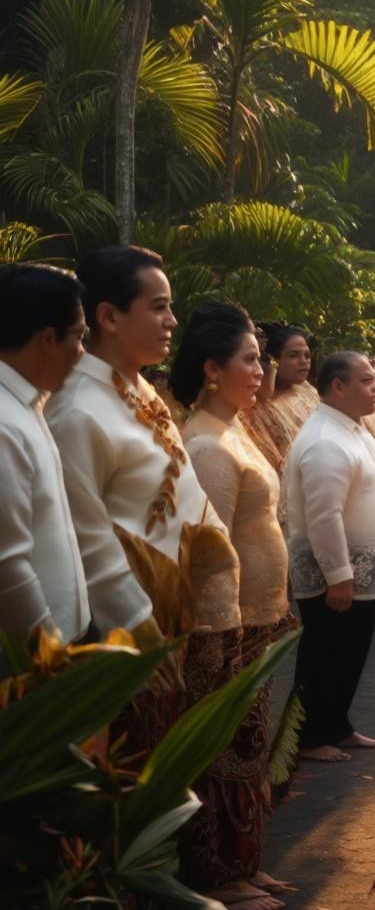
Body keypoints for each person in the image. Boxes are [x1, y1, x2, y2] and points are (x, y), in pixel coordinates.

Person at [49, 247, 239, 848]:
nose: (171, 322)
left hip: (178, 618)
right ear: (107, 316)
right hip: (128, 637)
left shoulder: (140, 393)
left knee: (178, 768)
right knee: (134, 784)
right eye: (158, 307)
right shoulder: (77, 411)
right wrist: (140, 634)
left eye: (171, 308)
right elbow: (87, 538)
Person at [173, 302, 293, 910]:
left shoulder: (235, 428)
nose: (261, 370)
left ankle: (246, 861)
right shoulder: (205, 444)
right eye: (250, 360)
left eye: (262, 358)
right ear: (212, 369)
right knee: (222, 753)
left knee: (248, 750)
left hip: (257, 617)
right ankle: (217, 872)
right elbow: (207, 545)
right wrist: (217, 639)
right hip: (227, 624)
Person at [0, 262, 142, 648]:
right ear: (48, 339)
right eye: (78, 338)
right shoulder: (5, 424)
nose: (81, 353)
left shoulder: (27, 404)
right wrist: (48, 661)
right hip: (30, 662)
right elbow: (8, 565)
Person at [284, 353, 375, 766]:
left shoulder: (353, 429)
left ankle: (337, 724)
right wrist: (338, 575)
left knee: (350, 653)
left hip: (362, 568)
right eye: (367, 381)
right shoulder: (323, 439)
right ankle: (310, 736)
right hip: (337, 573)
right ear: (338, 387)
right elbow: (323, 515)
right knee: (325, 654)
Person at [244, 324, 318, 473]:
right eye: (293, 355)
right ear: (272, 359)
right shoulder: (255, 404)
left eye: (307, 355)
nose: (304, 361)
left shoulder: (307, 390)